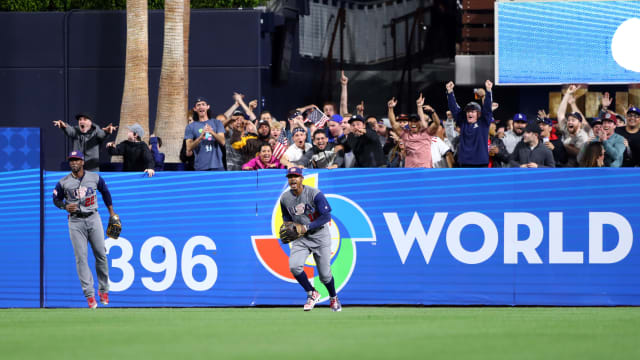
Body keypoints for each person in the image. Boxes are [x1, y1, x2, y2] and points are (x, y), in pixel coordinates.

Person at [52, 151, 116, 308]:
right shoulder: (63, 182)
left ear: (82, 162)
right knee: (81, 258)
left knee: (101, 254)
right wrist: (64, 206)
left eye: (77, 160)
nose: (74, 163)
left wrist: (112, 213)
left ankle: (103, 290)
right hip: (75, 222)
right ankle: (89, 295)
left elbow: (106, 193)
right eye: (71, 160)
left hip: (93, 218)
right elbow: (55, 199)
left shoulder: (94, 178)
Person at [279, 167, 341, 312]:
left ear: (302, 178)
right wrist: (289, 227)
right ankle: (312, 293)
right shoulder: (285, 198)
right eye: (290, 177)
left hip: (320, 236)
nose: (292, 179)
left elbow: (326, 217)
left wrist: (307, 227)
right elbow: (286, 218)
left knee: (325, 276)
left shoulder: (315, 194)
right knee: (294, 266)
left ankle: (333, 298)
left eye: (296, 176)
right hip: (302, 238)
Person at [446, 80, 494, 167]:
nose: (469, 113)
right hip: (464, 164)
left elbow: (487, 108)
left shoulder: (484, 122)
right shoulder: (463, 122)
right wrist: (450, 92)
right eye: (468, 111)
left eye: (472, 111)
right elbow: (454, 108)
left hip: (481, 164)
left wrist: (488, 90)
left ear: (478, 114)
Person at [53, 113, 117, 171]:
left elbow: (102, 134)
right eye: (80, 120)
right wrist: (63, 126)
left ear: (90, 122)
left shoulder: (97, 131)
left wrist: (107, 132)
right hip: (78, 167)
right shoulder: (75, 131)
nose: (81, 121)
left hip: (92, 168)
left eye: (85, 119)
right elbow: (70, 130)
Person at [185, 96, 226, 171]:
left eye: (203, 104)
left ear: (208, 107)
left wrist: (212, 132)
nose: (201, 107)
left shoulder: (217, 123)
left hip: (217, 165)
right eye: (198, 105)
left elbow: (223, 141)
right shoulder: (190, 127)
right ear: (195, 109)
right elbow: (188, 147)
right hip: (200, 167)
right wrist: (201, 137)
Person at [557, 85, 589, 167]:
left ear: (580, 124)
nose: (570, 122)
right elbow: (560, 114)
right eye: (569, 120)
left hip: (579, 169)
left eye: (573, 120)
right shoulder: (567, 129)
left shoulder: (583, 135)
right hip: (565, 167)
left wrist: (563, 145)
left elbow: (578, 154)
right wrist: (567, 94)